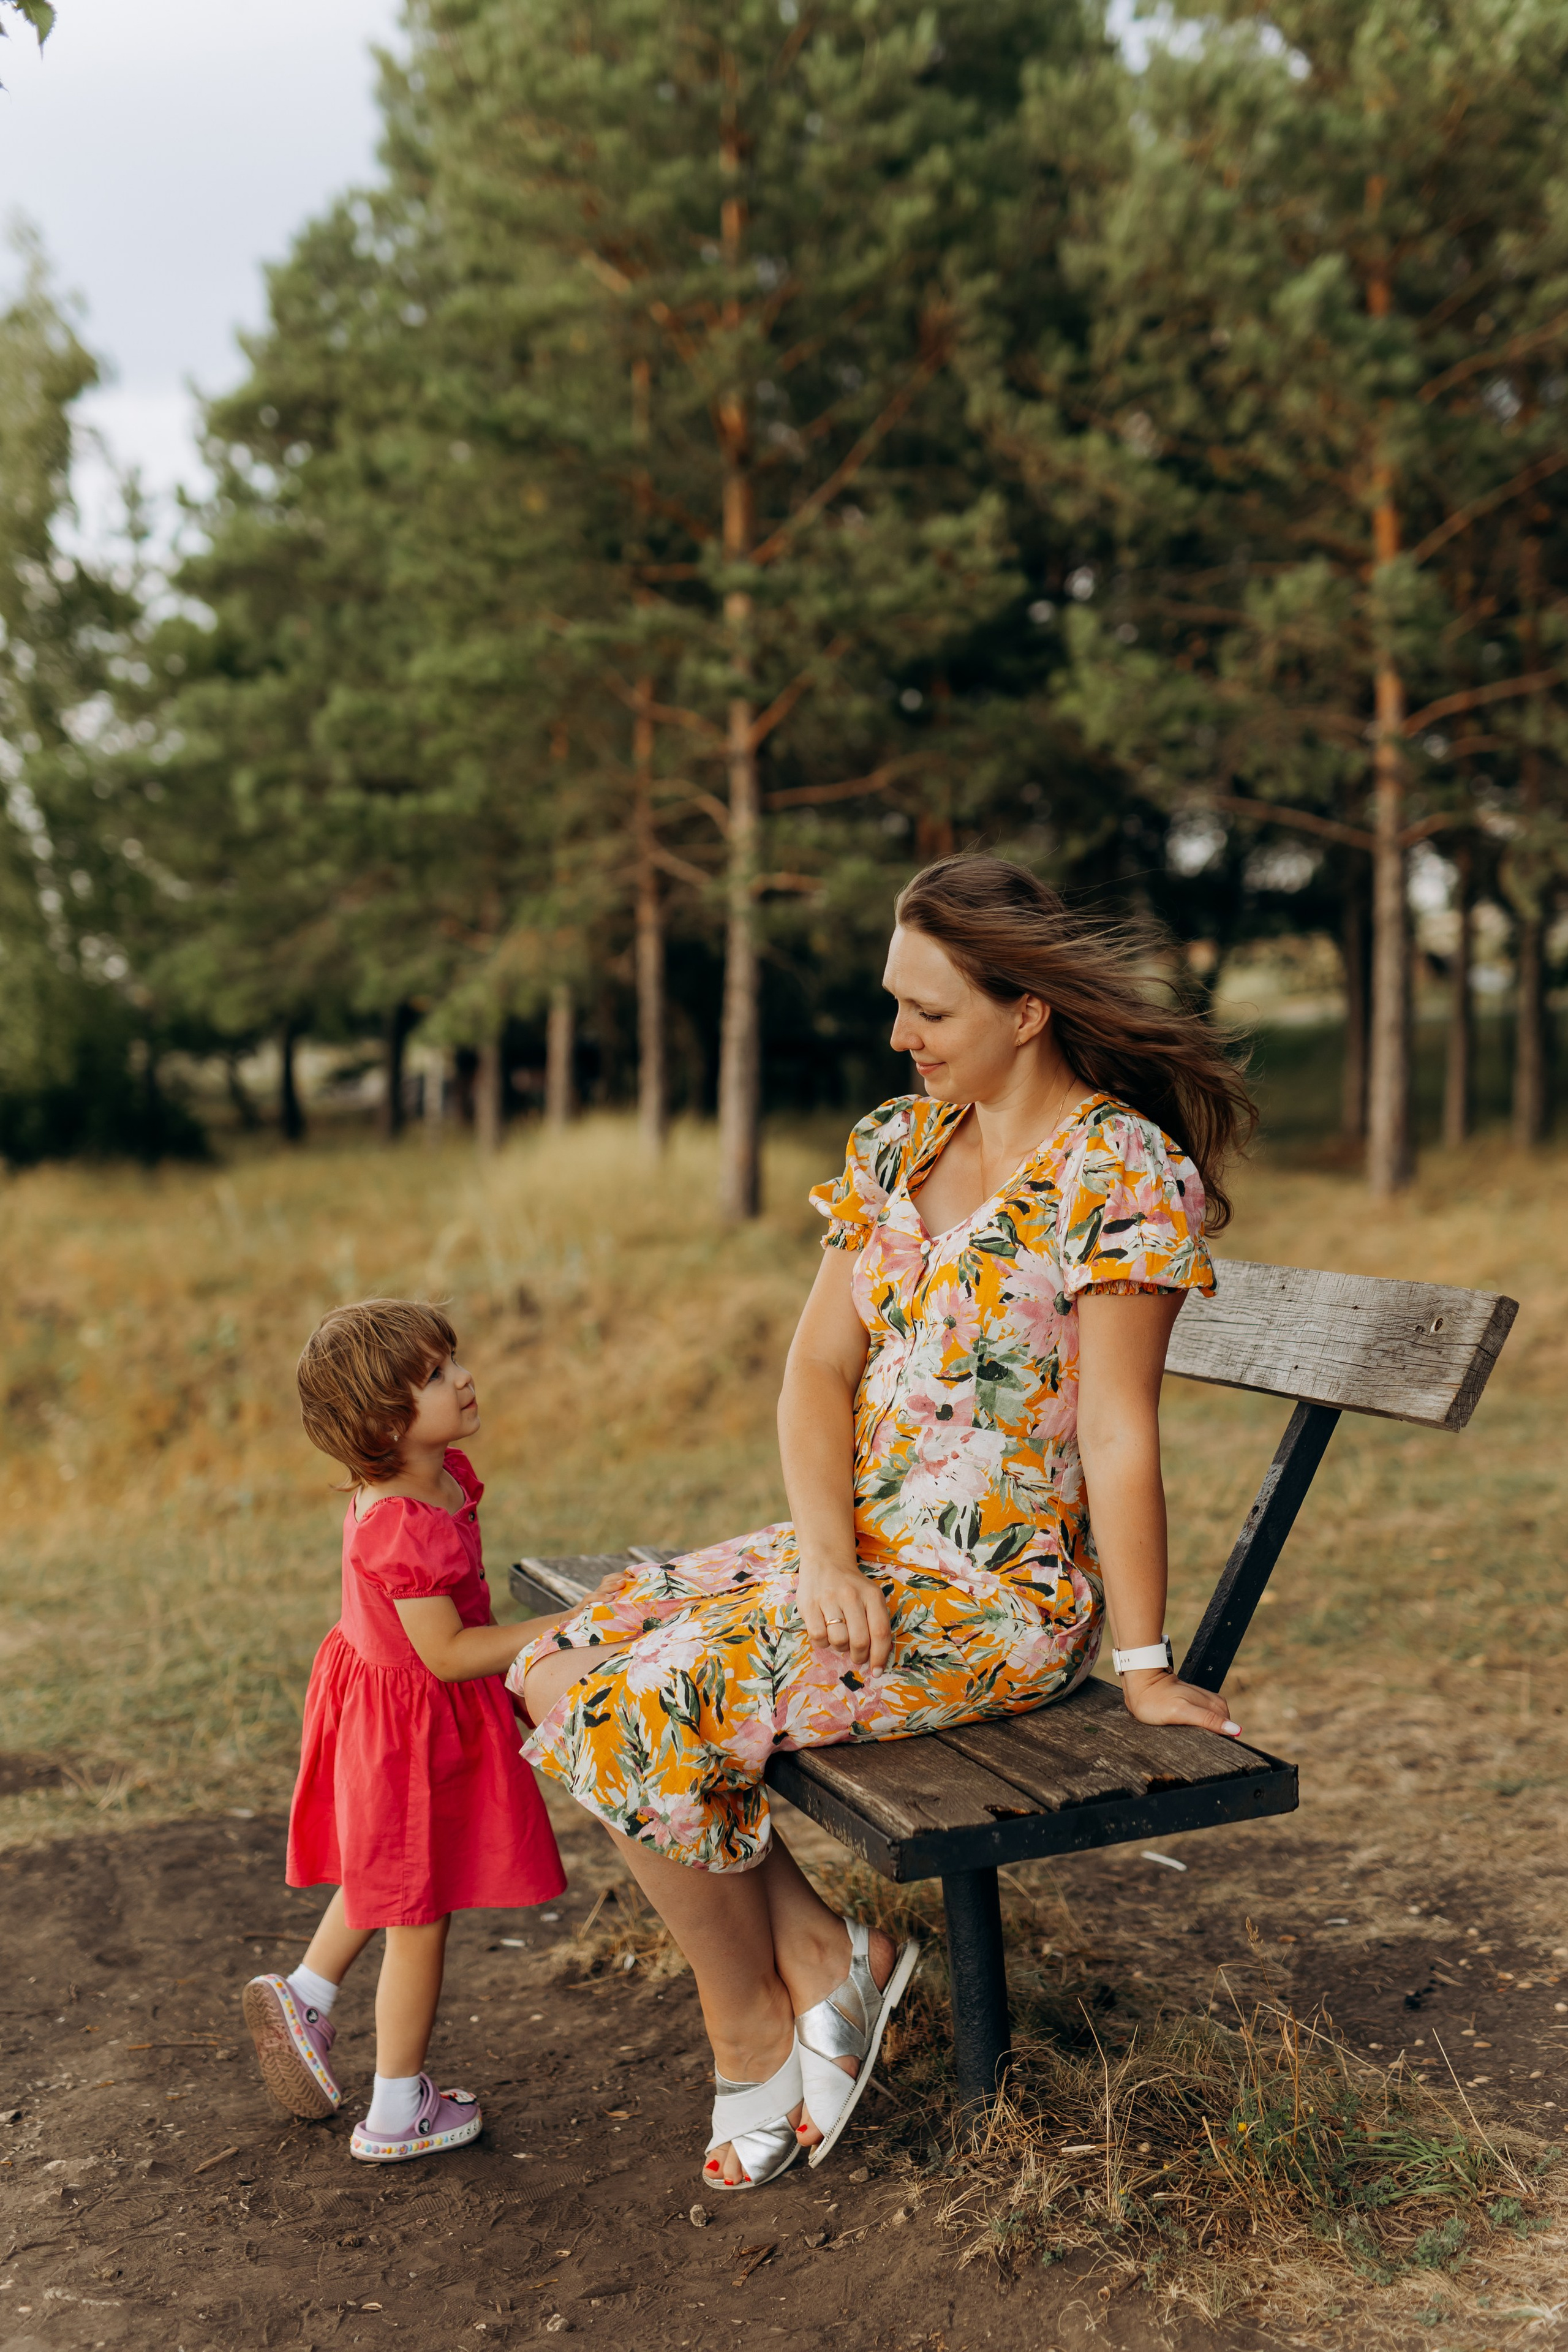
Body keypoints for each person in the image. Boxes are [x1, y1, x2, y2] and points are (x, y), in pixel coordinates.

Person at [508, 854, 1257, 2192]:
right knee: (557, 1663)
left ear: (1025, 1011)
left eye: (930, 1012)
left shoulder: (1116, 1169)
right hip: (851, 1561)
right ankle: (821, 1954)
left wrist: (1140, 1668)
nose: (898, 1036)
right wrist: (834, 1561)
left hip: (993, 1599)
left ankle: (749, 2024)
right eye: (893, 1004)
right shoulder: (892, 1144)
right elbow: (812, 1374)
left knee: (640, 1703)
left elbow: (1117, 1432)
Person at [243, 1299, 590, 2163]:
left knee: (391, 1872)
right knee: (418, 1909)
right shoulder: (401, 1519)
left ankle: (308, 1996)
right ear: (382, 1420)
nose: (462, 1378)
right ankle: (397, 2110)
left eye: (451, 1360)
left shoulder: (423, 1482)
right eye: (433, 1376)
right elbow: (446, 1651)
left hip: (393, 1708)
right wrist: (562, 1631)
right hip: (408, 1722)